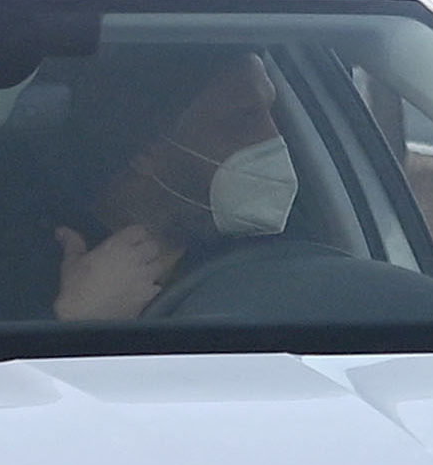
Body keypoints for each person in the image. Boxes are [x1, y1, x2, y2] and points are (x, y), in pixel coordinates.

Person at [51, 54, 293, 323]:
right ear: (146, 147)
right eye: (242, 119)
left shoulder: (286, 256)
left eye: (272, 112)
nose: (274, 138)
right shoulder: (31, 265)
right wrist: (81, 320)